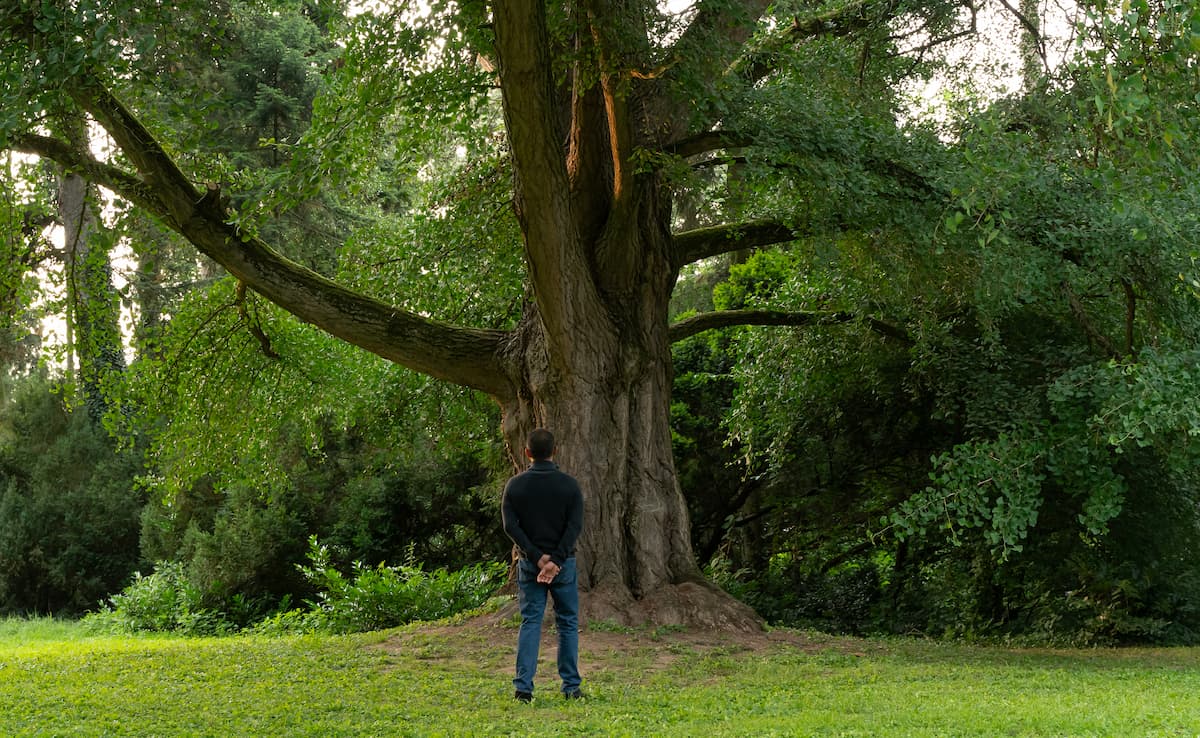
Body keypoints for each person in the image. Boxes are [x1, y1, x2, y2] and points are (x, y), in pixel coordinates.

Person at [501, 428, 585, 703]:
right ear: (555, 451)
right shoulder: (570, 486)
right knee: (568, 623)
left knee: (531, 622)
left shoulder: (515, 486)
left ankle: (523, 688)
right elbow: (574, 526)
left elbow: (510, 526)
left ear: (527, 453)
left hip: (529, 564)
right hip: (563, 565)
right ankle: (571, 687)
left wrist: (537, 558)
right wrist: (556, 561)